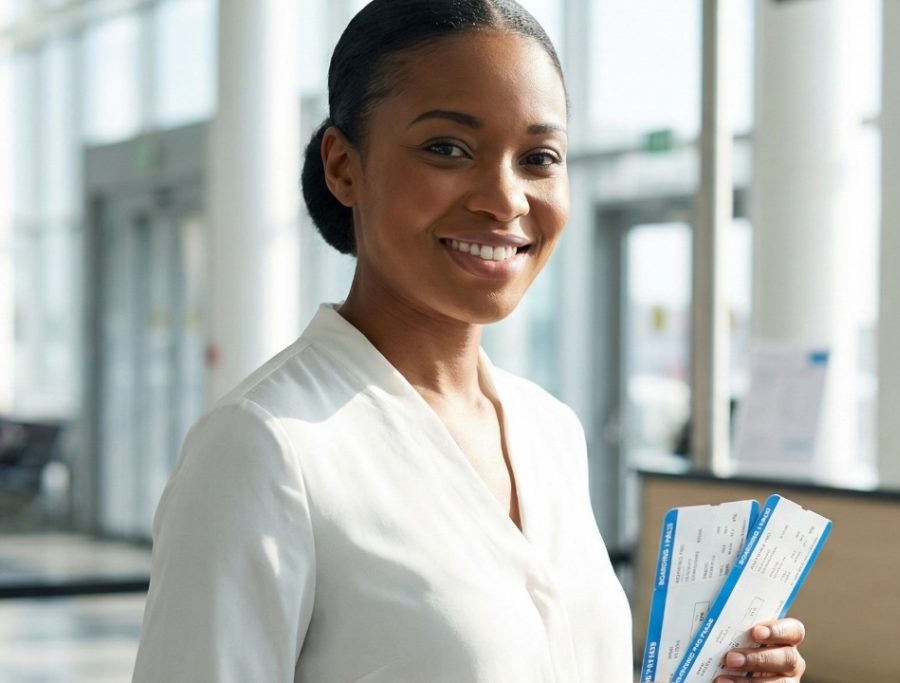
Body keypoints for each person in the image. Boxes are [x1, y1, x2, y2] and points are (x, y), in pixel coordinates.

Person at [131, 1, 808, 681]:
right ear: (343, 165)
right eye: (448, 149)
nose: (505, 198)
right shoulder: (265, 447)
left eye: (539, 157)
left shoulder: (550, 432)